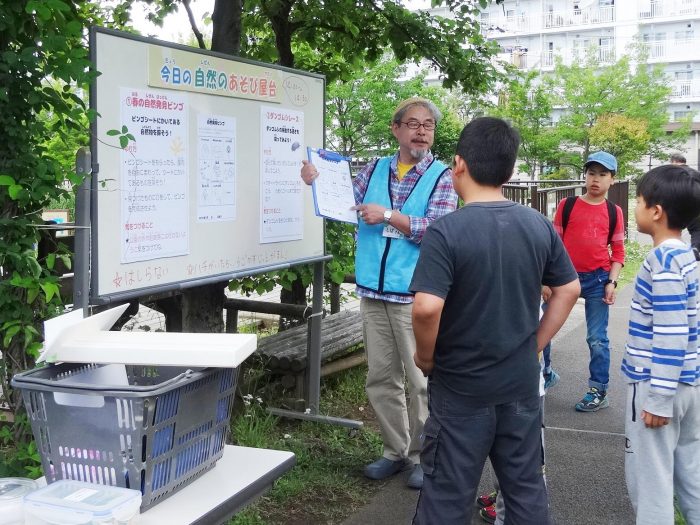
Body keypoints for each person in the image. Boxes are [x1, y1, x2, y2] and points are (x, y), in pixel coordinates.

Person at [410, 117, 580, 524]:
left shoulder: (446, 231)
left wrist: (427, 358)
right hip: (519, 386)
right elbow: (569, 289)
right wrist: (533, 345)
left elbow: (426, 308)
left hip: (461, 388)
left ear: (459, 165)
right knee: (524, 489)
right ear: (508, 170)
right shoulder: (536, 223)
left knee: (449, 494)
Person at [300, 97, 458, 489]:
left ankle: (426, 455)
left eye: (428, 125)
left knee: (421, 381)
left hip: (416, 296)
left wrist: (388, 215)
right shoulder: (375, 168)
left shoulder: (442, 176)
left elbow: (439, 229)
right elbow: (341, 201)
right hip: (373, 290)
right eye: (413, 123)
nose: (421, 131)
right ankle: (395, 451)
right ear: (396, 129)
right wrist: (314, 179)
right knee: (381, 377)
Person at [621, 164, 700, 524]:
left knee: (650, 481)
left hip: (656, 384)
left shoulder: (662, 259)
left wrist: (658, 397)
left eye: (638, 200)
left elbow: (671, 331)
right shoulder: (686, 255)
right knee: (690, 473)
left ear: (656, 211)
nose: (635, 207)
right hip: (689, 383)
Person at [541, 151, 626, 412]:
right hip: (563, 278)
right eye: (591, 173)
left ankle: (598, 390)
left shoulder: (614, 211)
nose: (595, 179)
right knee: (542, 328)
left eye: (602, 174)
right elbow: (552, 246)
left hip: (598, 279)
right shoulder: (568, 205)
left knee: (597, 338)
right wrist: (545, 280)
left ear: (612, 179)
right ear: (585, 176)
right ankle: (545, 374)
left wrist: (611, 282)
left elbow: (618, 252)